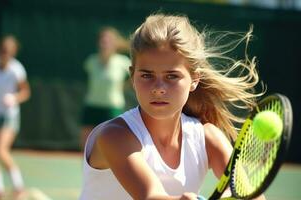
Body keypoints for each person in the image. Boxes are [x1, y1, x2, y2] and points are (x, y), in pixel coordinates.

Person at [79, 14, 266, 200]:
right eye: (146, 75)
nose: (158, 89)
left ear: (195, 79)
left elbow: (252, 196)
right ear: (132, 76)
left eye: (172, 76)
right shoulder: (115, 135)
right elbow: (151, 196)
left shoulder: (209, 139)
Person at [80, 27, 131, 150]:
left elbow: (135, 77)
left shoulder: (123, 62)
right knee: (86, 142)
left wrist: (124, 87)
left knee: (112, 142)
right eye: (103, 40)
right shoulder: (91, 61)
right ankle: (87, 167)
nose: (105, 43)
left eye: (108, 40)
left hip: (112, 107)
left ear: (115, 43)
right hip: (92, 105)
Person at [0, 35, 30, 199]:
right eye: (3, 50)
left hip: (9, 116)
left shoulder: (17, 69)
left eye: (9, 51)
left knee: (1, 150)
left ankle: (18, 186)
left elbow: (26, 92)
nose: (5, 53)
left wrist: (14, 98)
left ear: (14, 52)